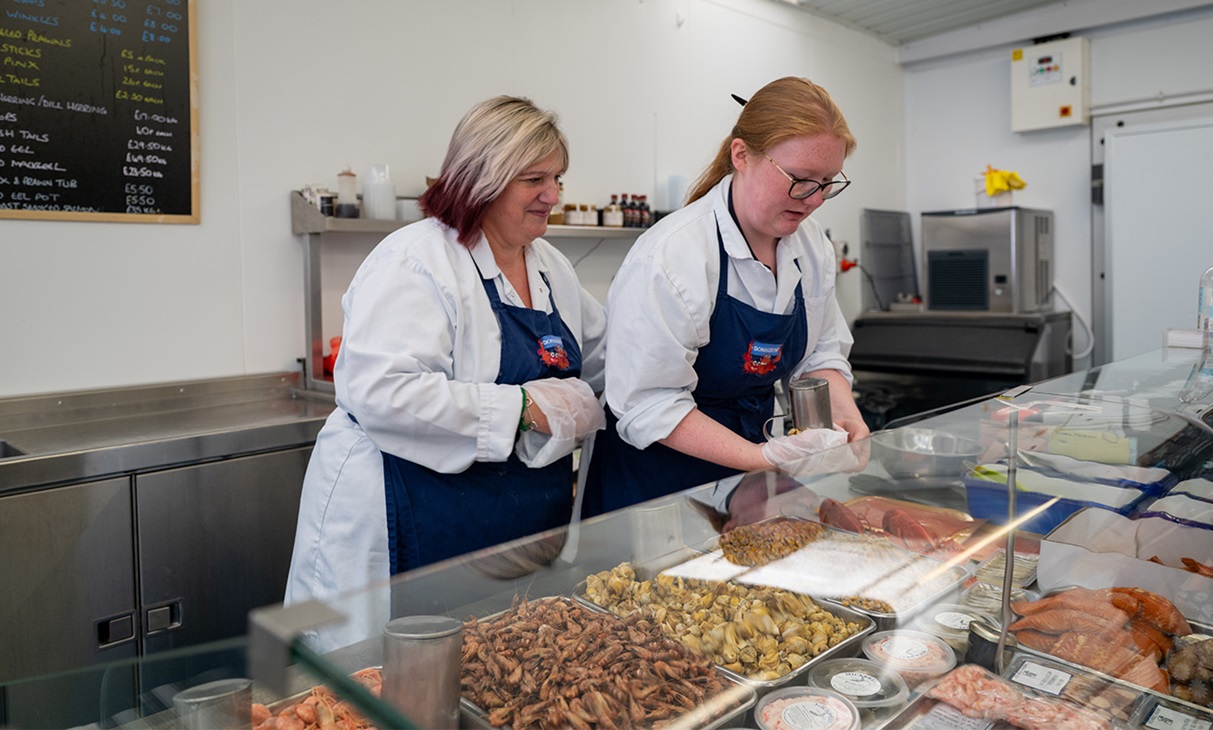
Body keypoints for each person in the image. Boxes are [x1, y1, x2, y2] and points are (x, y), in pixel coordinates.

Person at [285, 96, 606, 646]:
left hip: (506, 527)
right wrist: (523, 408)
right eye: (534, 179)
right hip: (406, 513)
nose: (552, 195)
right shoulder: (415, 260)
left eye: (557, 177)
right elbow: (381, 391)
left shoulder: (550, 267)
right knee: (389, 684)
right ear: (484, 178)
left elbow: (602, 354)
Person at [582, 76, 870, 517]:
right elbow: (649, 403)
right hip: (656, 486)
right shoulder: (674, 255)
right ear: (742, 155)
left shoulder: (810, 246)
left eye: (827, 182)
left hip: (743, 476)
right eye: (800, 179)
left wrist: (846, 416)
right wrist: (761, 460)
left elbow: (820, 356)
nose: (813, 199)